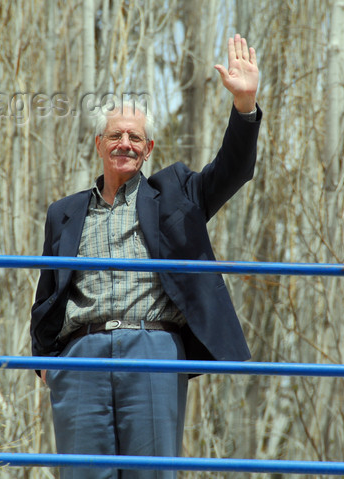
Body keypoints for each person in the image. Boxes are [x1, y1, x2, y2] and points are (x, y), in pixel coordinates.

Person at [30, 34, 261, 479]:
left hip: (153, 348)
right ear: (99, 143)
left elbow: (233, 169)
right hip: (80, 355)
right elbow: (47, 292)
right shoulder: (65, 212)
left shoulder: (175, 194)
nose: (126, 144)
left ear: (149, 149)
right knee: (81, 474)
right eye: (116, 135)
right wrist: (44, 360)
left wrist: (244, 105)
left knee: (150, 473)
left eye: (136, 137)